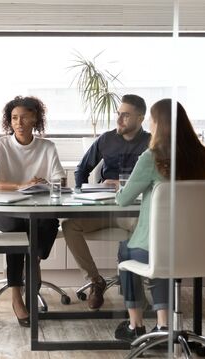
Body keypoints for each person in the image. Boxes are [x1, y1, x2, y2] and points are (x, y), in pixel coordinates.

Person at [114, 98, 205, 342]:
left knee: (128, 250)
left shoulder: (152, 157)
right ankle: (163, 325)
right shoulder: (202, 155)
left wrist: (120, 187)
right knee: (163, 253)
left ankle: (135, 325)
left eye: (152, 119)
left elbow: (123, 200)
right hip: (196, 248)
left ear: (158, 123)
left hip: (160, 248)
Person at [62, 94, 150, 310]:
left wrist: (125, 184)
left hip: (131, 211)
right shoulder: (106, 139)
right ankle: (95, 281)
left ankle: (134, 295)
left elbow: (159, 178)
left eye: (126, 115)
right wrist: (81, 194)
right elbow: (82, 169)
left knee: (139, 230)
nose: (119, 120)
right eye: (118, 114)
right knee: (69, 225)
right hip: (103, 207)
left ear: (140, 118)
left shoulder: (151, 142)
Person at [0, 96, 66, 327]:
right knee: (16, 233)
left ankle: (36, 260)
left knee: (50, 222)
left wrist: (48, 183)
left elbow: (60, 178)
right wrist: (20, 185)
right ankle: (16, 296)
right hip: (6, 211)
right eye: (13, 118)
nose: (18, 122)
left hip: (37, 209)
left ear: (35, 119)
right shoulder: (0, 146)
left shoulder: (47, 146)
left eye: (23, 117)